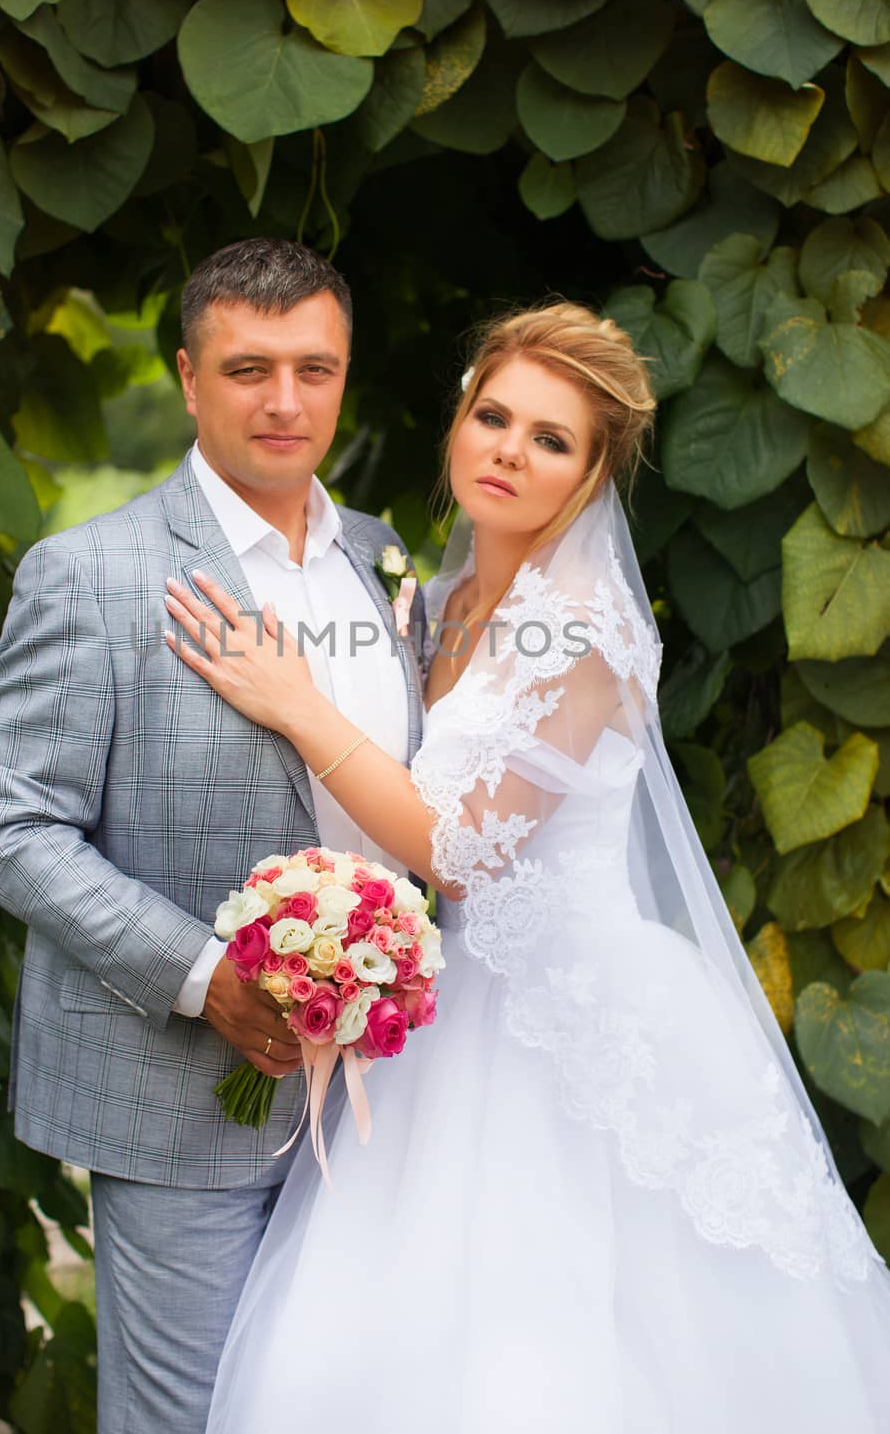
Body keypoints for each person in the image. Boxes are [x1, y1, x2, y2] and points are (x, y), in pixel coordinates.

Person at [165, 301, 890, 1433]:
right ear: (457, 421)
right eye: (493, 415)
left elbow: (457, 849)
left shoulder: (585, 629)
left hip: (572, 1024)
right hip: (445, 1015)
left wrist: (295, 704)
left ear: (592, 474)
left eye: (550, 439)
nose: (509, 448)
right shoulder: (431, 602)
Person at [0, 238, 425, 1434]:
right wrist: (204, 976)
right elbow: (11, 828)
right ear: (186, 376)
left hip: (388, 1095)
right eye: (247, 368)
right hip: (173, 1098)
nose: (284, 401)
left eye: (313, 369)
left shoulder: (384, 559)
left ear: (344, 375)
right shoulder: (92, 574)